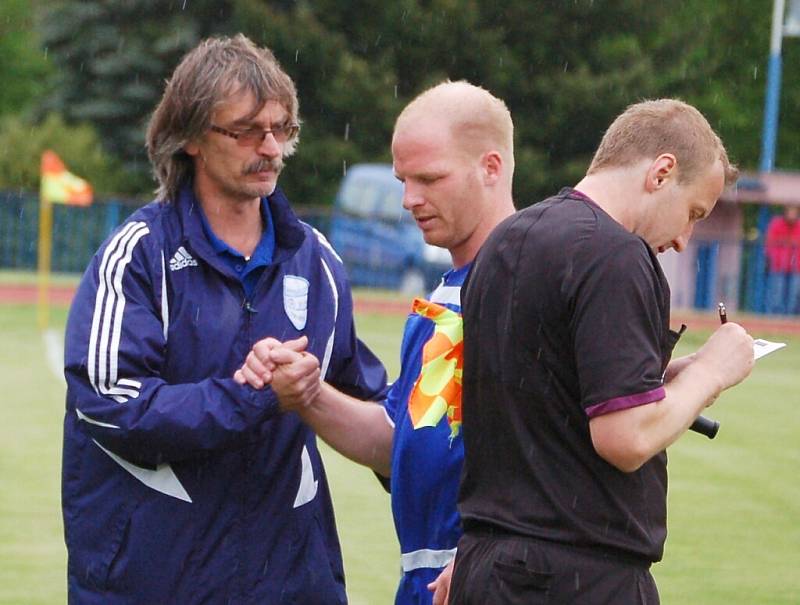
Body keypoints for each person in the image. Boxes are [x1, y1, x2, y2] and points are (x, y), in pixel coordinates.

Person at [61, 34, 387, 604]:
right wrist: (254, 394)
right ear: (188, 138)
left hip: (292, 585)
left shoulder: (318, 261)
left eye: (281, 129)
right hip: (154, 586)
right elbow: (113, 407)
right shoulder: (138, 254)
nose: (270, 148)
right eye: (245, 130)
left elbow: (376, 408)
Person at [449, 99, 756, 604]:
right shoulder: (615, 255)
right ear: (661, 172)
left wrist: (668, 380)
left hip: (486, 565)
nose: (684, 239)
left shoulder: (506, 240)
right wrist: (713, 374)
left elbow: (543, 390)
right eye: (693, 213)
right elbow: (625, 437)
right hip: (577, 577)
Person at [235, 80, 516, 605]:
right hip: (424, 584)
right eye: (402, 180)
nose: (408, 200)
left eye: (429, 179)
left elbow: (566, 460)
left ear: (491, 167)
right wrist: (307, 392)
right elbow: (398, 442)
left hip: (494, 582)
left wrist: (494, 556)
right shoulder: (444, 298)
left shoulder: (531, 284)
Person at [765, 205, 800, 315]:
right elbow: (770, 243)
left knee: (793, 293)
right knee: (777, 292)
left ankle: (789, 315)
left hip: (796, 266)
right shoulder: (776, 224)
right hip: (778, 265)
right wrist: (773, 258)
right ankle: (775, 314)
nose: (792, 215)